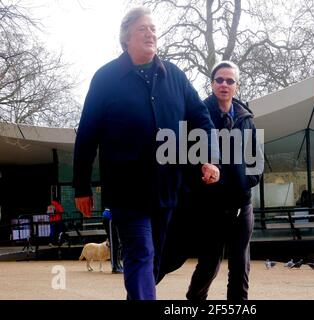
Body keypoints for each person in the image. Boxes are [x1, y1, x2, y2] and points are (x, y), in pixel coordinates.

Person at [72, 6, 220, 300]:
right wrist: (81, 187)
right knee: (140, 252)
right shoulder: (105, 79)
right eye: (143, 29)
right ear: (126, 37)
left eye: (153, 29)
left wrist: (209, 156)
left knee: (155, 260)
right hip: (127, 191)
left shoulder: (175, 77)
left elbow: (202, 118)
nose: (151, 34)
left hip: (167, 190)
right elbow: (87, 134)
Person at [185, 61, 262, 301]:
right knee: (209, 264)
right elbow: (187, 161)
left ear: (237, 86)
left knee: (240, 265)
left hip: (242, 205)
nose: (224, 84)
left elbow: (257, 165)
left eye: (230, 81)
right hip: (211, 206)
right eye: (219, 80)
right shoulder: (198, 116)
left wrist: (236, 181)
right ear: (212, 84)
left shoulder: (246, 118)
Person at [102, 208, 123, 273]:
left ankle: (118, 264)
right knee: (114, 242)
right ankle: (114, 266)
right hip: (110, 217)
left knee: (119, 243)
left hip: (117, 216)